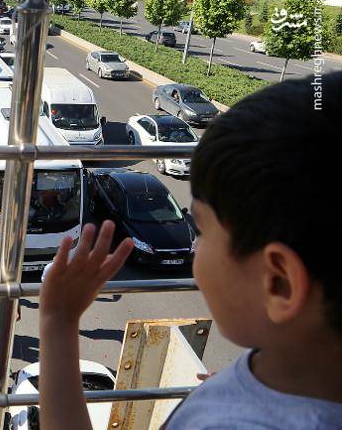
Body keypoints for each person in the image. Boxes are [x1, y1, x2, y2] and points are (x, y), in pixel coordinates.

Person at [47, 76, 342, 428]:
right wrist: (234, 390)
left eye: (201, 229)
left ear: (279, 284)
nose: (194, 243)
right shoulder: (293, 366)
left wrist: (58, 321)